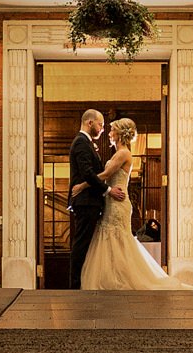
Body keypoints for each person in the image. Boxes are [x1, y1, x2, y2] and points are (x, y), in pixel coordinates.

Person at [78, 117, 187, 290]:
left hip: (117, 202)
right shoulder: (118, 153)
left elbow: (106, 175)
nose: (109, 133)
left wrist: (81, 186)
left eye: (112, 130)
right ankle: (114, 277)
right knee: (113, 240)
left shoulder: (123, 153)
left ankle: (121, 279)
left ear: (120, 134)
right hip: (112, 199)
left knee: (117, 239)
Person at [65, 109, 124, 288]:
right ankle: (74, 286)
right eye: (100, 125)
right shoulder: (81, 143)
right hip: (86, 202)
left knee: (86, 245)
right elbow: (88, 173)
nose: (102, 129)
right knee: (81, 245)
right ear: (90, 123)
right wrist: (108, 190)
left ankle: (82, 282)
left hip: (90, 201)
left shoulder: (86, 143)